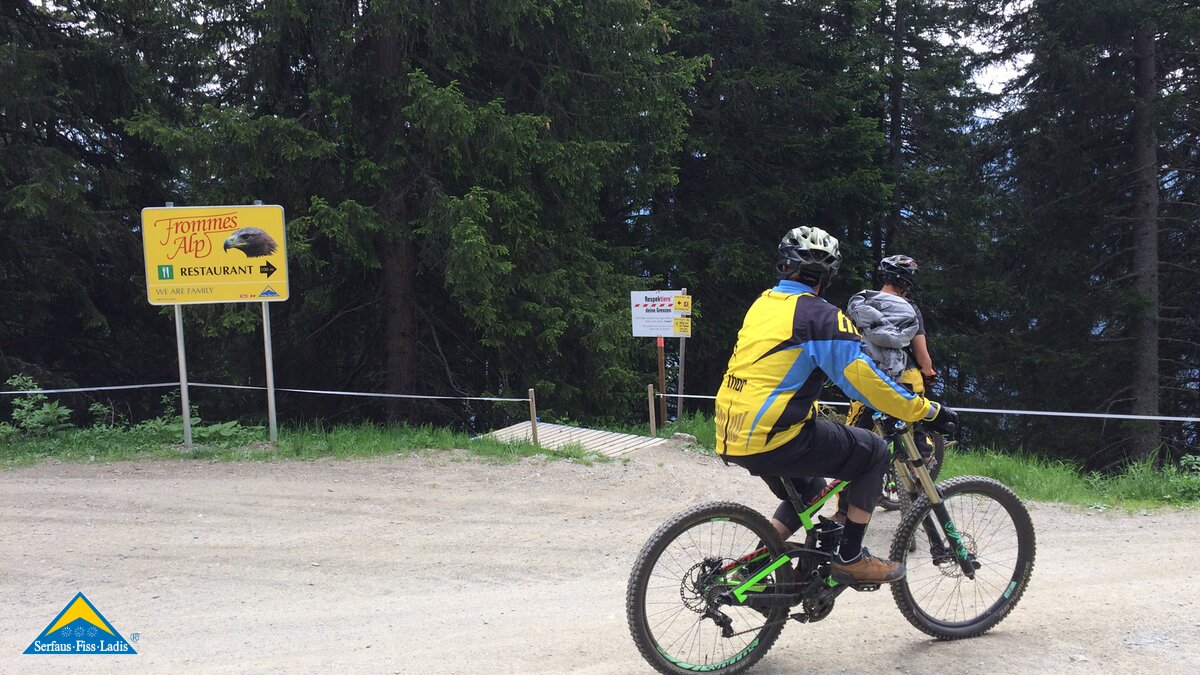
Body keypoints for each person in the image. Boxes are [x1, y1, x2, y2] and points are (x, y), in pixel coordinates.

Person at [714, 226, 958, 584]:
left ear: (784, 266)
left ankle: (752, 566)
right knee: (873, 451)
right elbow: (866, 382)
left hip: (731, 430)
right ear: (828, 276)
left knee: (810, 489)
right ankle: (850, 557)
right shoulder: (821, 316)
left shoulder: (763, 303)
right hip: (774, 435)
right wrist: (927, 410)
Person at [845, 255, 939, 466]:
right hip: (904, 377)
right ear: (907, 282)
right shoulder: (909, 308)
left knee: (854, 437)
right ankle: (921, 469)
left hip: (867, 376)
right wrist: (929, 373)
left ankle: (847, 487)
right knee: (916, 423)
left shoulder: (862, 303)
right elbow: (922, 355)